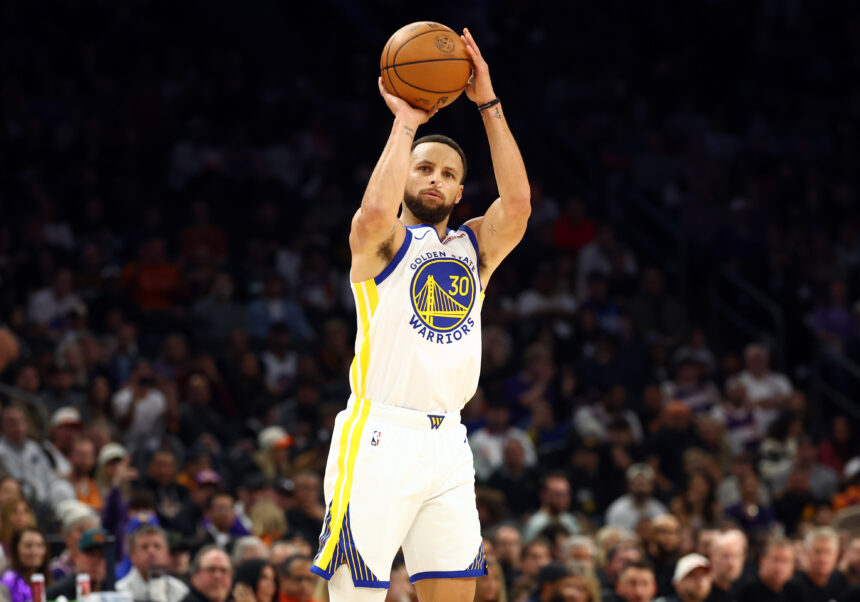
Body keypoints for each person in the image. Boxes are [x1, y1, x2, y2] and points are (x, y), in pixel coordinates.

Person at [310, 28, 531, 602]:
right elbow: (375, 209)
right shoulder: (379, 244)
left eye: (449, 175)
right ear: (406, 174)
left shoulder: (471, 249)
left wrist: (487, 101)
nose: (436, 178)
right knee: (355, 595)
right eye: (425, 168)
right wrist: (406, 121)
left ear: (460, 193)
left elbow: (520, 205)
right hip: (380, 432)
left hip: (449, 440)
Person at [116, 524, 190, 602]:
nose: (151, 552)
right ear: (133, 557)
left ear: (167, 555)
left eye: (157, 546)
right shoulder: (118, 592)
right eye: (144, 547)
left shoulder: (181, 592)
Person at [46, 527, 109, 599]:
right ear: (76, 556)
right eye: (90, 554)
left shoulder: (115, 591)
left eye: (102, 555)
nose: (96, 561)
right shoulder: (56, 594)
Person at [785, 527, 845, 601]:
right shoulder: (792, 587)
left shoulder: (840, 582)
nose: (822, 558)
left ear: (837, 555)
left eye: (828, 552)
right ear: (807, 553)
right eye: (817, 551)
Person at [735, 537, 801, 602]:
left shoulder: (795, 591)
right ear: (762, 560)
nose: (780, 568)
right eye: (776, 560)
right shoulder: (745, 590)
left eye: (785, 561)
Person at [1, 528, 51, 602]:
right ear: (16, 549)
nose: (34, 551)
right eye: (28, 546)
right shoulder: (6, 582)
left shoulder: (54, 578)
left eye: (39, 545)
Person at [705, 530, 746, 602]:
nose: (731, 563)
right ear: (711, 558)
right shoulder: (702, 593)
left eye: (736, 556)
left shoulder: (745, 592)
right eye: (726, 556)